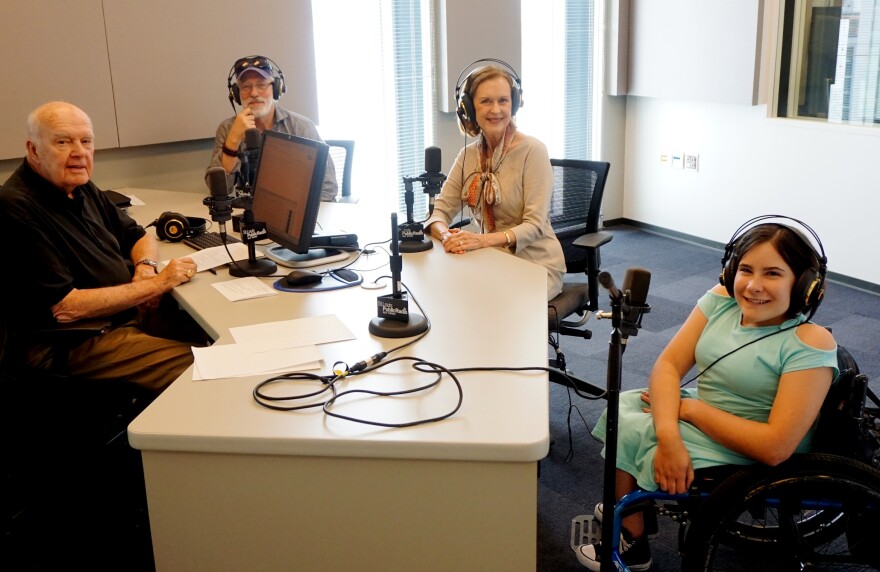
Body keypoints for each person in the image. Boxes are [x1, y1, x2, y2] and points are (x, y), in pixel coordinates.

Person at [575, 217, 839, 571]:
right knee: (623, 408)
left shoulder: (810, 340)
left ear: (806, 285)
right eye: (746, 270)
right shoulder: (721, 301)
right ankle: (631, 511)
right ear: (730, 273)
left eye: (773, 274)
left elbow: (775, 446)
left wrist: (688, 412)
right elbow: (668, 366)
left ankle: (632, 542)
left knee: (641, 429)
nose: (753, 286)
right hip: (707, 408)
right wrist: (671, 432)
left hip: (753, 438)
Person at [0, 101, 204, 392]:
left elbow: (137, 235)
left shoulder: (79, 186)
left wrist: (146, 270)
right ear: (33, 150)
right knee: (201, 370)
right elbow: (66, 308)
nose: (79, 152)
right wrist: (158, 284)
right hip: (76, 339)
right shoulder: (16, 207)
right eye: (63, 142)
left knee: (223, 335)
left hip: (123, 314)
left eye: (86, 141)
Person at [423, 62, 565, 300]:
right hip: (490, 258)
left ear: (515, 104)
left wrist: (480, 241)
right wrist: (448, 237)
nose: (496, 110)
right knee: (444, 293)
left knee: (484, 301)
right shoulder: (468, 156)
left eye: (503, 100)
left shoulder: (533, 151)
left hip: (535, 265)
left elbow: (535, 225)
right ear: (468, 108)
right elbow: (439, 213)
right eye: (486, 101)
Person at [207, 54, 338, 201]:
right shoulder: (227, 128)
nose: (254, 93)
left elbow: (328, 187)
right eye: (245, 87)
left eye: (262, 84)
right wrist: (232, 141)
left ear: (276, 88)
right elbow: (217, 189)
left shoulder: (301, 127)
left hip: (293, 214)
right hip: (250, 216)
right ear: (236, 94)